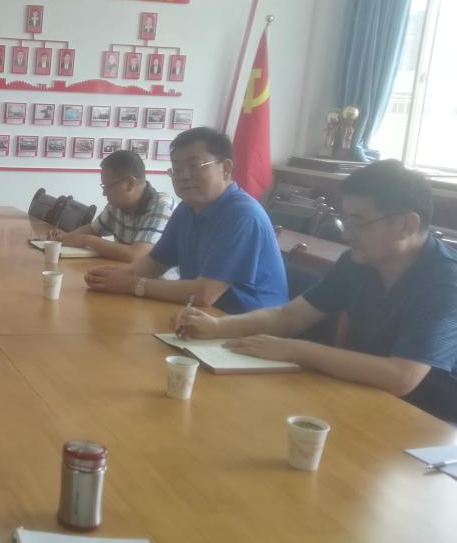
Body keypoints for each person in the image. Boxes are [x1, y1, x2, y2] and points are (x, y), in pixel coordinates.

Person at [176, 161, 457, 422]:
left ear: (406, 225)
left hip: (431, 422)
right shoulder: (358, 262)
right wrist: (217, 327)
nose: (347, 234)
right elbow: (288, 317)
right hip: (362, 395)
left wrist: (297, 350)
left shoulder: (446, 282)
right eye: (346, 221)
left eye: (358, 223)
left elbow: (402, 377)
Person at [85, 127, 287, 313]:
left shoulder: (242, 215)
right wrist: (112, 276)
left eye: (194, 166)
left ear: (225, 168)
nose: (183, 176)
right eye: (177, 168)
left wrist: (133, 285)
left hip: (247, 324)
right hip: (201, 315)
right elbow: (154, 263)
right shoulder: (187, 209)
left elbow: (204, 294)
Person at [54, 151, 175, 263]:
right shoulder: (117, 204)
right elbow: (93, 230)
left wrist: (87, 240)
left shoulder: (161, 206)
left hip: (157, 279)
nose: (104, 193)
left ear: (130, 183)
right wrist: (64, 238)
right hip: (125, 271)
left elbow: (136, 255)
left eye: (107, 186)